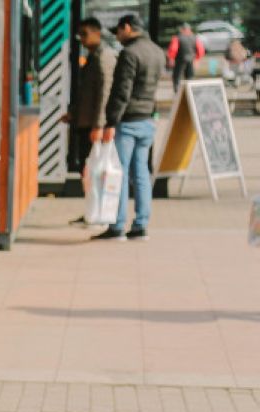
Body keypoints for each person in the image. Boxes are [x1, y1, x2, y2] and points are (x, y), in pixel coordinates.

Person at [93, 14, 165, 242]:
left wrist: (111, 121)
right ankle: (141, 225)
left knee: (120, 173)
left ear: (127, 28)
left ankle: (117, 226)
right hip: (147, 120)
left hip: (128, 121)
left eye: (118, 31)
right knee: (141, 173)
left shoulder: (129, 54)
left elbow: (121, 91)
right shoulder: (156, 51)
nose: (117, 36)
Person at [62, 17, 117, 225]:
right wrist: (74, 113)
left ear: (97, 32)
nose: (82, 39)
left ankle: (99, 214)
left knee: (96, 171)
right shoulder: (94, 56)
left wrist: (99, 125)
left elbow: (104, 93)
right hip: (85, 121)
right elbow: (87, 92)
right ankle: (92, 212)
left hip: (94, 125)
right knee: (89, 170)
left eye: (85, 34)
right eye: (80, 35)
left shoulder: (104, 56)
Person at [167, 23, 205, 93]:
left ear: (182, 29)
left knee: (177, 77)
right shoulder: (195, 38)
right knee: (190, 78)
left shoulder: (177, 38)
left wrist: (171, 58)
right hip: (191, 60)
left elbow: (173, 49)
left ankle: (177, 92)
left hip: (180, 60)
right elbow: (200, 50)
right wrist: (197, 59)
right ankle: (190, 93)